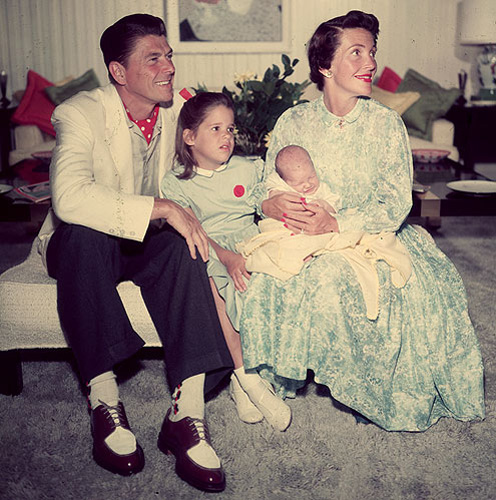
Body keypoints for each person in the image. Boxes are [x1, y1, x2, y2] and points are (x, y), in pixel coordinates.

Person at [239, 10, 485, 432]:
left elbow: (394, 203)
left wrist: (336, 222)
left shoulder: (385, 124)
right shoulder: (293, 121)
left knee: (333, 276)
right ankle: (254, 377)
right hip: (297, 233)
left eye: (371, 52)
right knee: (268, 270)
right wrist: (273, 205)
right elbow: (266, 186)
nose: (369, 62)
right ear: (325, 66)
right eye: (356, 52)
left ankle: (355, 382)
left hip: (368, 236)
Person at [37, 14, 234, 492]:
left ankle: (185, 415)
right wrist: (160, 206)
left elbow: (217, 151)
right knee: (85, 234)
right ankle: (104, 401)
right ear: (119, 73)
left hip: (143, 239)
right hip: (81, 242)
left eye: (169, 55)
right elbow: (68, 198)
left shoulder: (178, 110)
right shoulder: (78, 113)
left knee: (187, 241)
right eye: (154, 57)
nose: (169, 66)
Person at [161, 91, 291, 432]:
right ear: (190, 137)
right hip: (211, 248)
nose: (227, 137)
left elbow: (264, 207)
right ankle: (247, 380)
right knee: (217, 285)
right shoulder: (176, 182)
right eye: (215, 128)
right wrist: (228, 257)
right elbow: (193, 230)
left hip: (250, 241)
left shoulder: (247, 169)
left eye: (230, 129)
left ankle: (248, 380)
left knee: (274, 277)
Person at [239, 144, 413, 320]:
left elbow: (334, 207)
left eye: (311, 177)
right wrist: (275, 199)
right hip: (286, 226)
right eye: (299, 183)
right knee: (277, 241)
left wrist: (324, 206)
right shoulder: (278, 183)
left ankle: (305, 252)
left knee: (327, 239)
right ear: (285, 181)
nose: (307, 185)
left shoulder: (321, 189)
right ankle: (294, 257)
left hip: (316, 228)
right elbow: (268, 191)